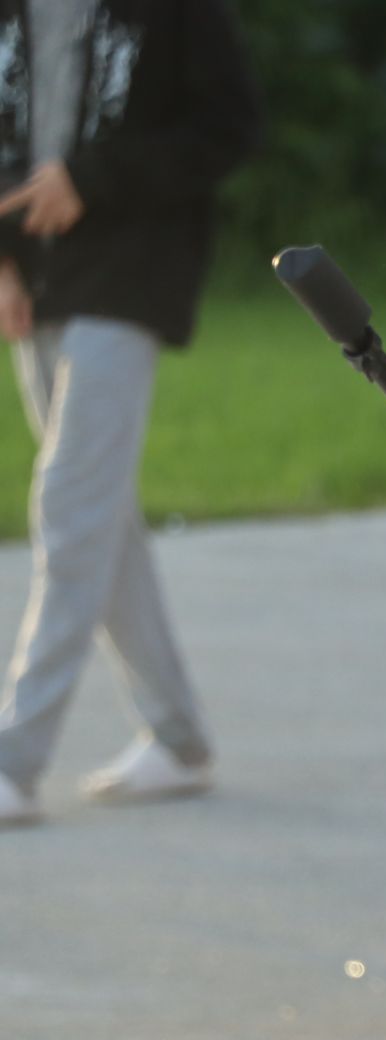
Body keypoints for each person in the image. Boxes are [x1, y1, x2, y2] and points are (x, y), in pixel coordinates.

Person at [0, 0, 260, 828]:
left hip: (130, 273)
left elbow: (228, 126)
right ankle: (178, 740)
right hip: (33, 278)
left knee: (71, 504)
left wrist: (93, 177)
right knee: (99, 515)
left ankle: (14, 759)